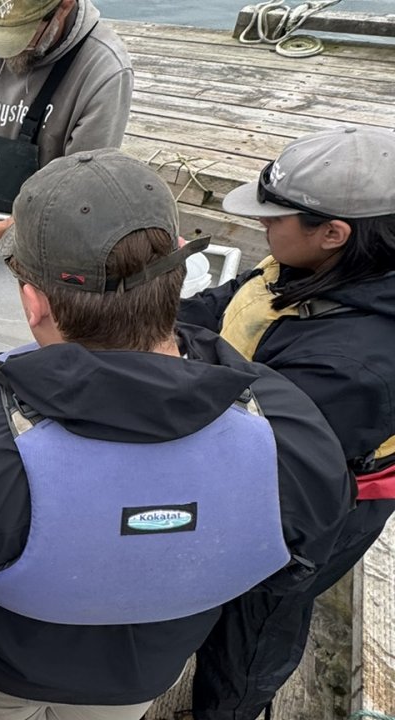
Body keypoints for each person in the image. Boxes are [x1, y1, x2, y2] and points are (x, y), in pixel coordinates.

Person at [0, 149, 352, 720]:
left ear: (32, 302)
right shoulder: (286, 427)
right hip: (143, 673)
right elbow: (300, 558)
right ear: (178, 278)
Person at [177, 126, 395, 720]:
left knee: (258, 621)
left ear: (334, 232)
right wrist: (146, 317)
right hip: (266, 445)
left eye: (274, 219)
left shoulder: (358, 365)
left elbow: (263, 452)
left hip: (315, 505)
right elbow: (233, 303)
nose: (262, 229)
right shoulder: (317, 265)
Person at [0, 0, 132, 252]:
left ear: (63, 7)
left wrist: (7, 228)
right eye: (2, 30)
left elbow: (81, 192)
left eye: (22, 32)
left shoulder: (105, 71)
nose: (7, 49)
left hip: (48, 242)